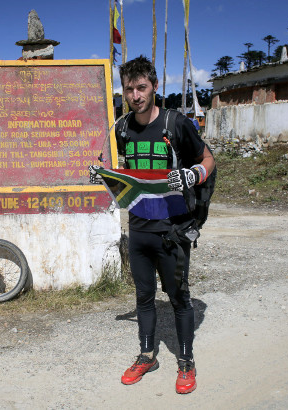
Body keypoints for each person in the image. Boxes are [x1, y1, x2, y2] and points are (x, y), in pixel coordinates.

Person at [115, 56, 215, 393]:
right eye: (129, 89)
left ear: (154, 86)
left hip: (172, 229)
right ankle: (147, 355)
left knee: (179, 298)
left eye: (141, 87)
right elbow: (126, 173)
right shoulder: (123, 128)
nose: (135, 95)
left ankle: (186, 362)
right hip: (139, 228)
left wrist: (193, 173)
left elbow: (208, 159)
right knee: (143, 297)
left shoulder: (177, 123)